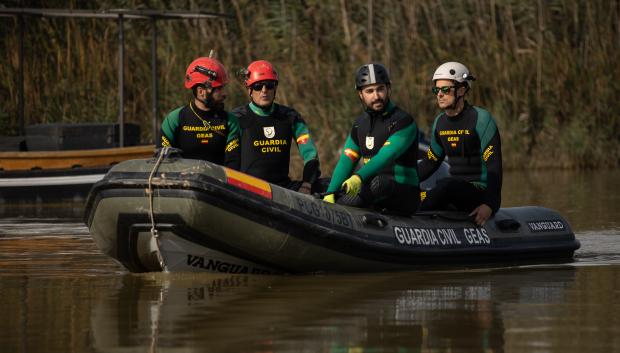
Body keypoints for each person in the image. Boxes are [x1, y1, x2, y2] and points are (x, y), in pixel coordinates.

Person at [322, 63, 420, 215]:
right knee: (324, 184)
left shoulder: (403, 121)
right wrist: (331, 192)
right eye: (369, 91)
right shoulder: (360, 124)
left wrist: (358, 177)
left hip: (403, 194)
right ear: (360, 94)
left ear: (388, 88)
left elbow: (386, 156)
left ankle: (344, 206)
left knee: (379, 183)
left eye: (380, 89)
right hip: (371, 190)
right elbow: (347, 159)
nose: (376, 96)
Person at [418, 61, 502, 226]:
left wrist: (489, 204)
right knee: (425, 186)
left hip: (479, 193)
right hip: (452, 192)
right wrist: (403, 178)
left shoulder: (481, 119)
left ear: (462, 90)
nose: (439, 95)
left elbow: (494, 167)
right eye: (436, 90)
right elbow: (430, 163)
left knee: (446, 185)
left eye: (445, 90)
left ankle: (412, 206)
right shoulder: (440, 123)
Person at [226, 60, 322, 194]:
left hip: (282, 188)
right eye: (258, 86)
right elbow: (230, 161)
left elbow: (310, 154)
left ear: (275, 88)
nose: (264, 91)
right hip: (248, 190)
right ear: (249, 90)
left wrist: (307, 184)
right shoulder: (236, 118)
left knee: (326, 185)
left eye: (269, 86)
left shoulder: (290, 116)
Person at [160, 56, 240, 163]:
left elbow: (233, 165)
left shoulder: (230, 121)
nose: (224, 94)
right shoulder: (174, 120)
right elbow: (162, 162)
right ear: (201, 92)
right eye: (219, 89)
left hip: (218, 179)